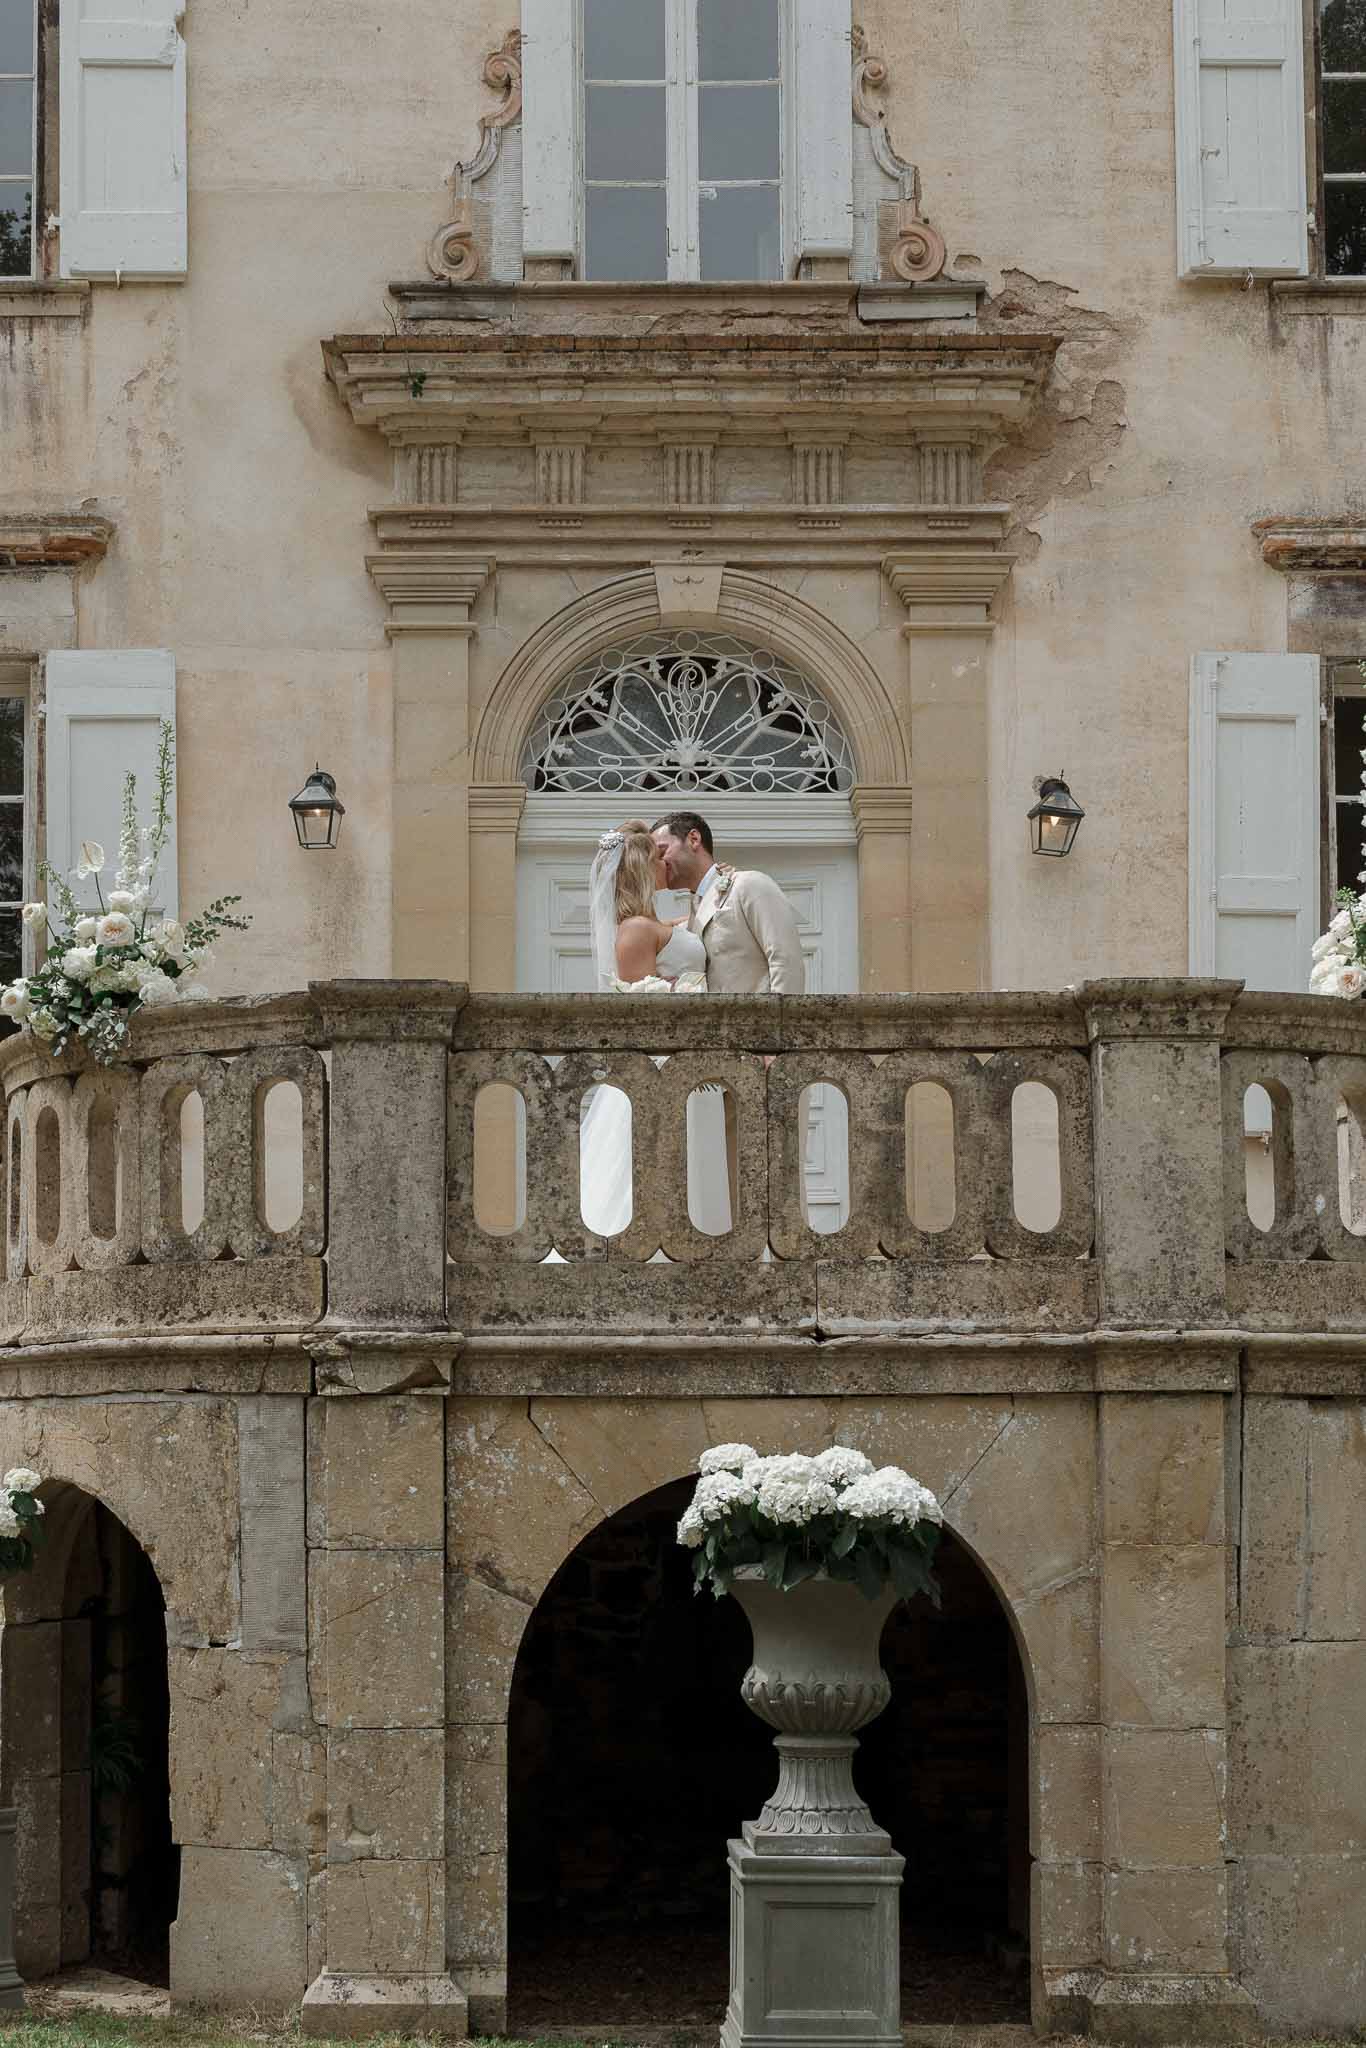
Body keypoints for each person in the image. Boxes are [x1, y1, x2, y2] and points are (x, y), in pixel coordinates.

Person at [575, 818, 730, 1239]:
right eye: (657, 857)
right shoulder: (635, 932)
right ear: (641, 871)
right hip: (661, 1068)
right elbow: (643, 1012)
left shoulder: (657, 925)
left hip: (690, 1066)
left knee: (694, 1161)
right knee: (655, 1161)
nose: (666, 861)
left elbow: (690, 933)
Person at [650, 812, 805, 995]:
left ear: (693, 839)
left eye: (661, 852)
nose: (658, 864)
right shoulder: (689, 918)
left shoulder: (748, 884)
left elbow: (785, 960)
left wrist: (778, 1022)